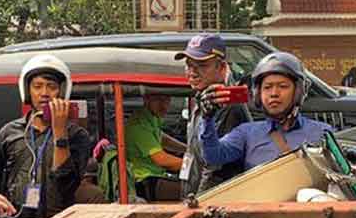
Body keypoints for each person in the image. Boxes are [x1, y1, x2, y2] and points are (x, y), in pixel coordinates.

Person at [0, 54, 98, 218]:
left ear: (62, 91)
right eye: (37, 86)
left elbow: (66, 183)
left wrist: (60, 133)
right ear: (28, 90)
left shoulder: (76, 136)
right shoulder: (10, 133)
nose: (44, 93)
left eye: (51, 87)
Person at [199, 52, 332, 173]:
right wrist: (207, 118)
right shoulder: (246, 133)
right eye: (267, 87)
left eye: (283, 86)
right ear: (258, 94)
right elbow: (213, 157)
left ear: (298, 91)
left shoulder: (322, 133)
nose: (274, 93)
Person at [175, 33, 251, 196]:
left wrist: (199, 201)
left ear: (221, 68)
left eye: (201, 66)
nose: (192, 72)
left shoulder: (227, 106)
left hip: (215, 200)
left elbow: (214, 170)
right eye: (189, 65)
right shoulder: (201, 99)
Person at [125, 92, 185, 201]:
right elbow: (162, 160)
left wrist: (188, 149)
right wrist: (192, 164)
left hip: (156, 175)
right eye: (158, 99)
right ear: (146, 99)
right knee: (198, 190)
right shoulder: (139, 124)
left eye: (167, 99)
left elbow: (162, 138)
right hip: (143, 182)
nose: (164, 105)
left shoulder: (151, 116)